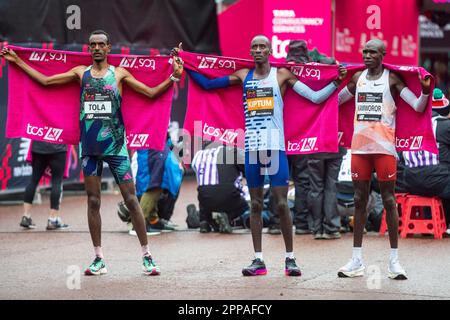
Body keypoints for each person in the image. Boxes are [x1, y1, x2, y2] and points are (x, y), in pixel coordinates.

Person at [1, 30, 183, 276]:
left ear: (108, 48)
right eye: (93, 44)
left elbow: (150, 93)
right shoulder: (80, 74)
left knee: (131, 201)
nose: (97, 48)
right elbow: (45, 81)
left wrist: (173, 76)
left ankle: (147, 256)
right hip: (89, 150)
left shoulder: (119, 74)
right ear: (89, 49)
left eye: (101, 44)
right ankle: (99, 259)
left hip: (116, 148)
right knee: (93, 201)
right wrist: (18, 62)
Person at [173, 35, 346, 276]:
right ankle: (258, 260)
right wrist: (185, 63)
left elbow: (314, 98)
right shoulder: (244, 76)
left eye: (261, 46)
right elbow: (208, 85)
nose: (257, 50)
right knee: (254, 204)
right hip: (252, 150)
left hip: (275, 149)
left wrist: (337, 82)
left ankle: (290, 259)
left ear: (269, 50)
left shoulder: (282, 75)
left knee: (282, 204)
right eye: (253, 46)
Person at [337, 39, 431, 280]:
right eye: (364, 51)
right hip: (360, 149)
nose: (366, 55)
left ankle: (394, 261)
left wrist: (426, 91)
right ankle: (356, 260)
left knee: (389, 200)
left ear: (383, 54)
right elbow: (336, 102)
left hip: (384, 150)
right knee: (359, 199)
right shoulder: (358, 79)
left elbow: (418, 107)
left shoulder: (391, 80)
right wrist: (337, 82)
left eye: (372, 52)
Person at [189, 142, 249, 234]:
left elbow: (199, 175)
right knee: (244, 205)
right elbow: (246, 171)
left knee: (204, 189)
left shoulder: (198, 155)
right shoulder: (231, 151)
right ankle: (228, 217)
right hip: (229, 197)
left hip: (206, 200)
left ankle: (204, 222)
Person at [20, 140, 69, 230]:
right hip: (58, 146)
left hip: (39, 145)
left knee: (34, 180)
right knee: (57, 181)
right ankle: (52, 219)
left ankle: (26, 216)